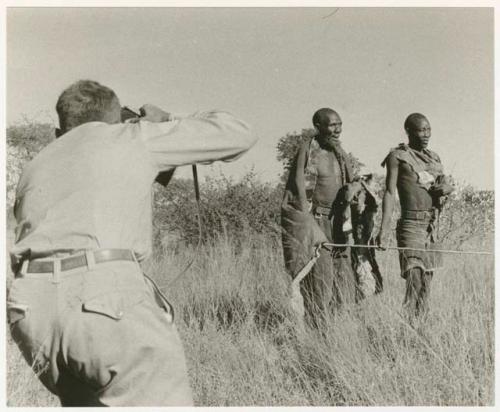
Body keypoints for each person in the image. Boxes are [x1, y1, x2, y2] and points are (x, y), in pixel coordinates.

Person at [7, 79, 257, 406]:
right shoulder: (131, 137)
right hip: (103, 298)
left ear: (63, 126)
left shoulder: (35, 163)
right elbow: (239, 133)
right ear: (116, 117)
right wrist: (167, 120)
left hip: (31, 307)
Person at [282, 108, 381, 325]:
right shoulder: (308, 152)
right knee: (320, 282)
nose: (337, 130)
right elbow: (298, 195)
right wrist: (312, 228)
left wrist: (356, 188)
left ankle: (337, 332)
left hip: (340, 224)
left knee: (344, 278)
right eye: (332, 125)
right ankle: (316, 333)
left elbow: (351, 184)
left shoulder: (340, 154)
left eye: (340, 124)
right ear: (318, 127)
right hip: (316, 223)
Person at [376, 113, 453, 319]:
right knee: (414, 281)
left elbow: (442, 186)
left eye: (428, 129)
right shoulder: (398, 156)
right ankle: (405, 333)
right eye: (421, 130)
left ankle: (420, 332)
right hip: (411, 224)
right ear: (408, 131)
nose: (426, 134)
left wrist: (446, 189)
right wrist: (383, 230)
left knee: (426, 286)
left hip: (432, 226)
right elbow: (390, 193)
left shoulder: (434, 157)